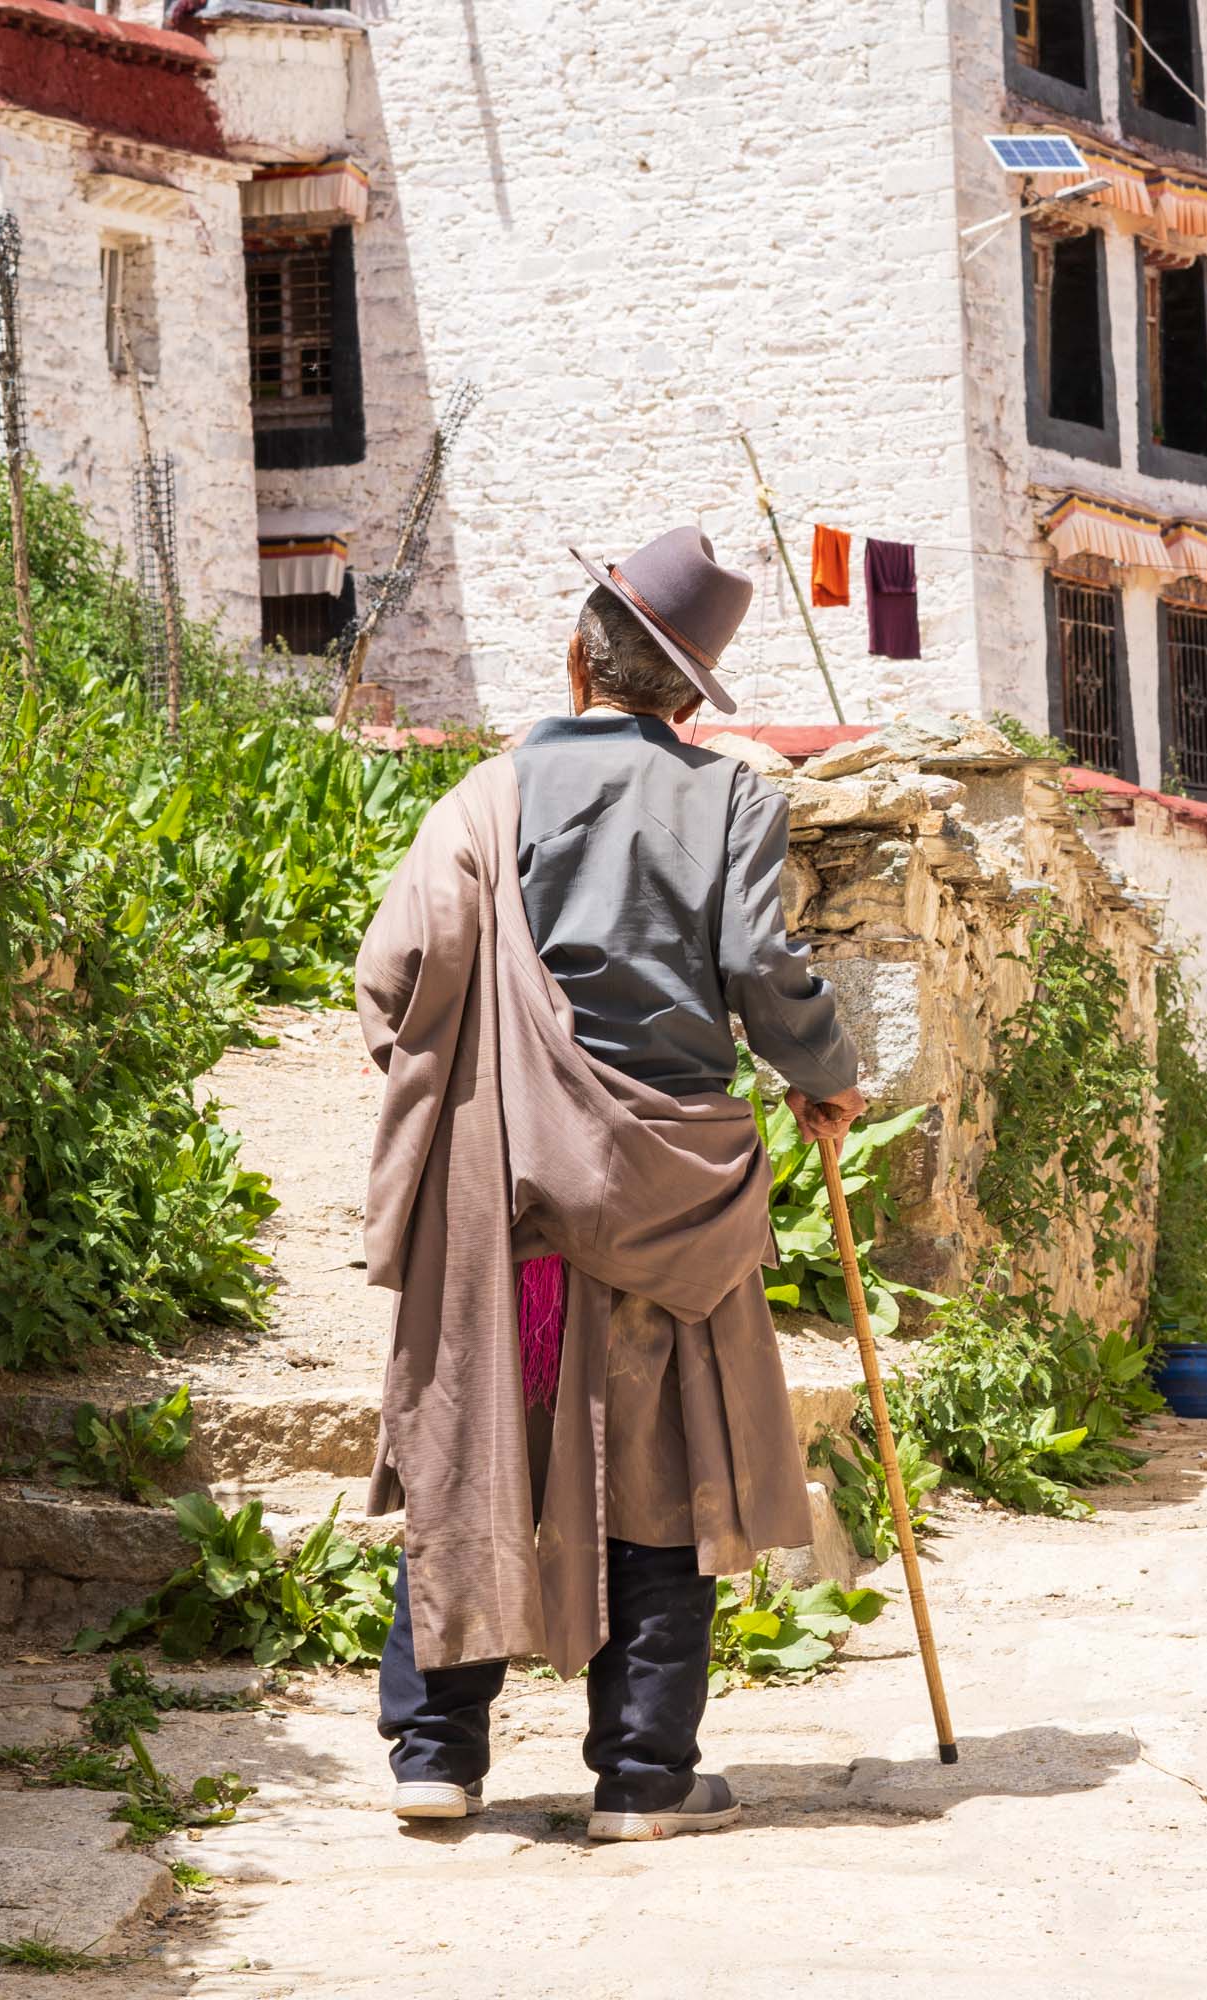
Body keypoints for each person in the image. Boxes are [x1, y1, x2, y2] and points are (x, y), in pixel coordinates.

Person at [353, 527, 866, 1842]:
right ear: (691, 699)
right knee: (666, 1463)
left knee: (473, 1439)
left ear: (576, 655)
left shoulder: (478, 804)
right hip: (673, 1200)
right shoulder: (736, 799)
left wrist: (482, 1085)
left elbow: (394, 975)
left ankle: (438, 1754)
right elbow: (760, 959)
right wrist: (824, 1071)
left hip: (508, 1204)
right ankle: (642, 1779)